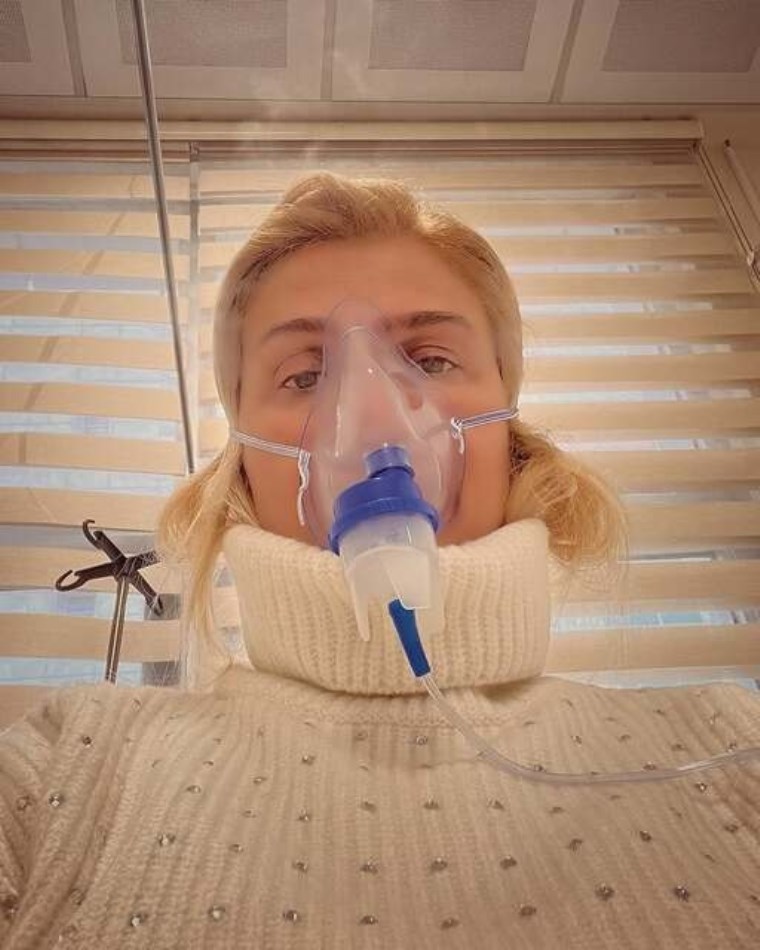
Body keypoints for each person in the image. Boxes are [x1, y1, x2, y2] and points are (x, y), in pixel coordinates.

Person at [1, 173, 758, 949]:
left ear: (510, 431)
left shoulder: (724, 744)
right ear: (241, 467)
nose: (372, 417)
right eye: (305, 375)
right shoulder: (72, 766)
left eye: (431, 360)